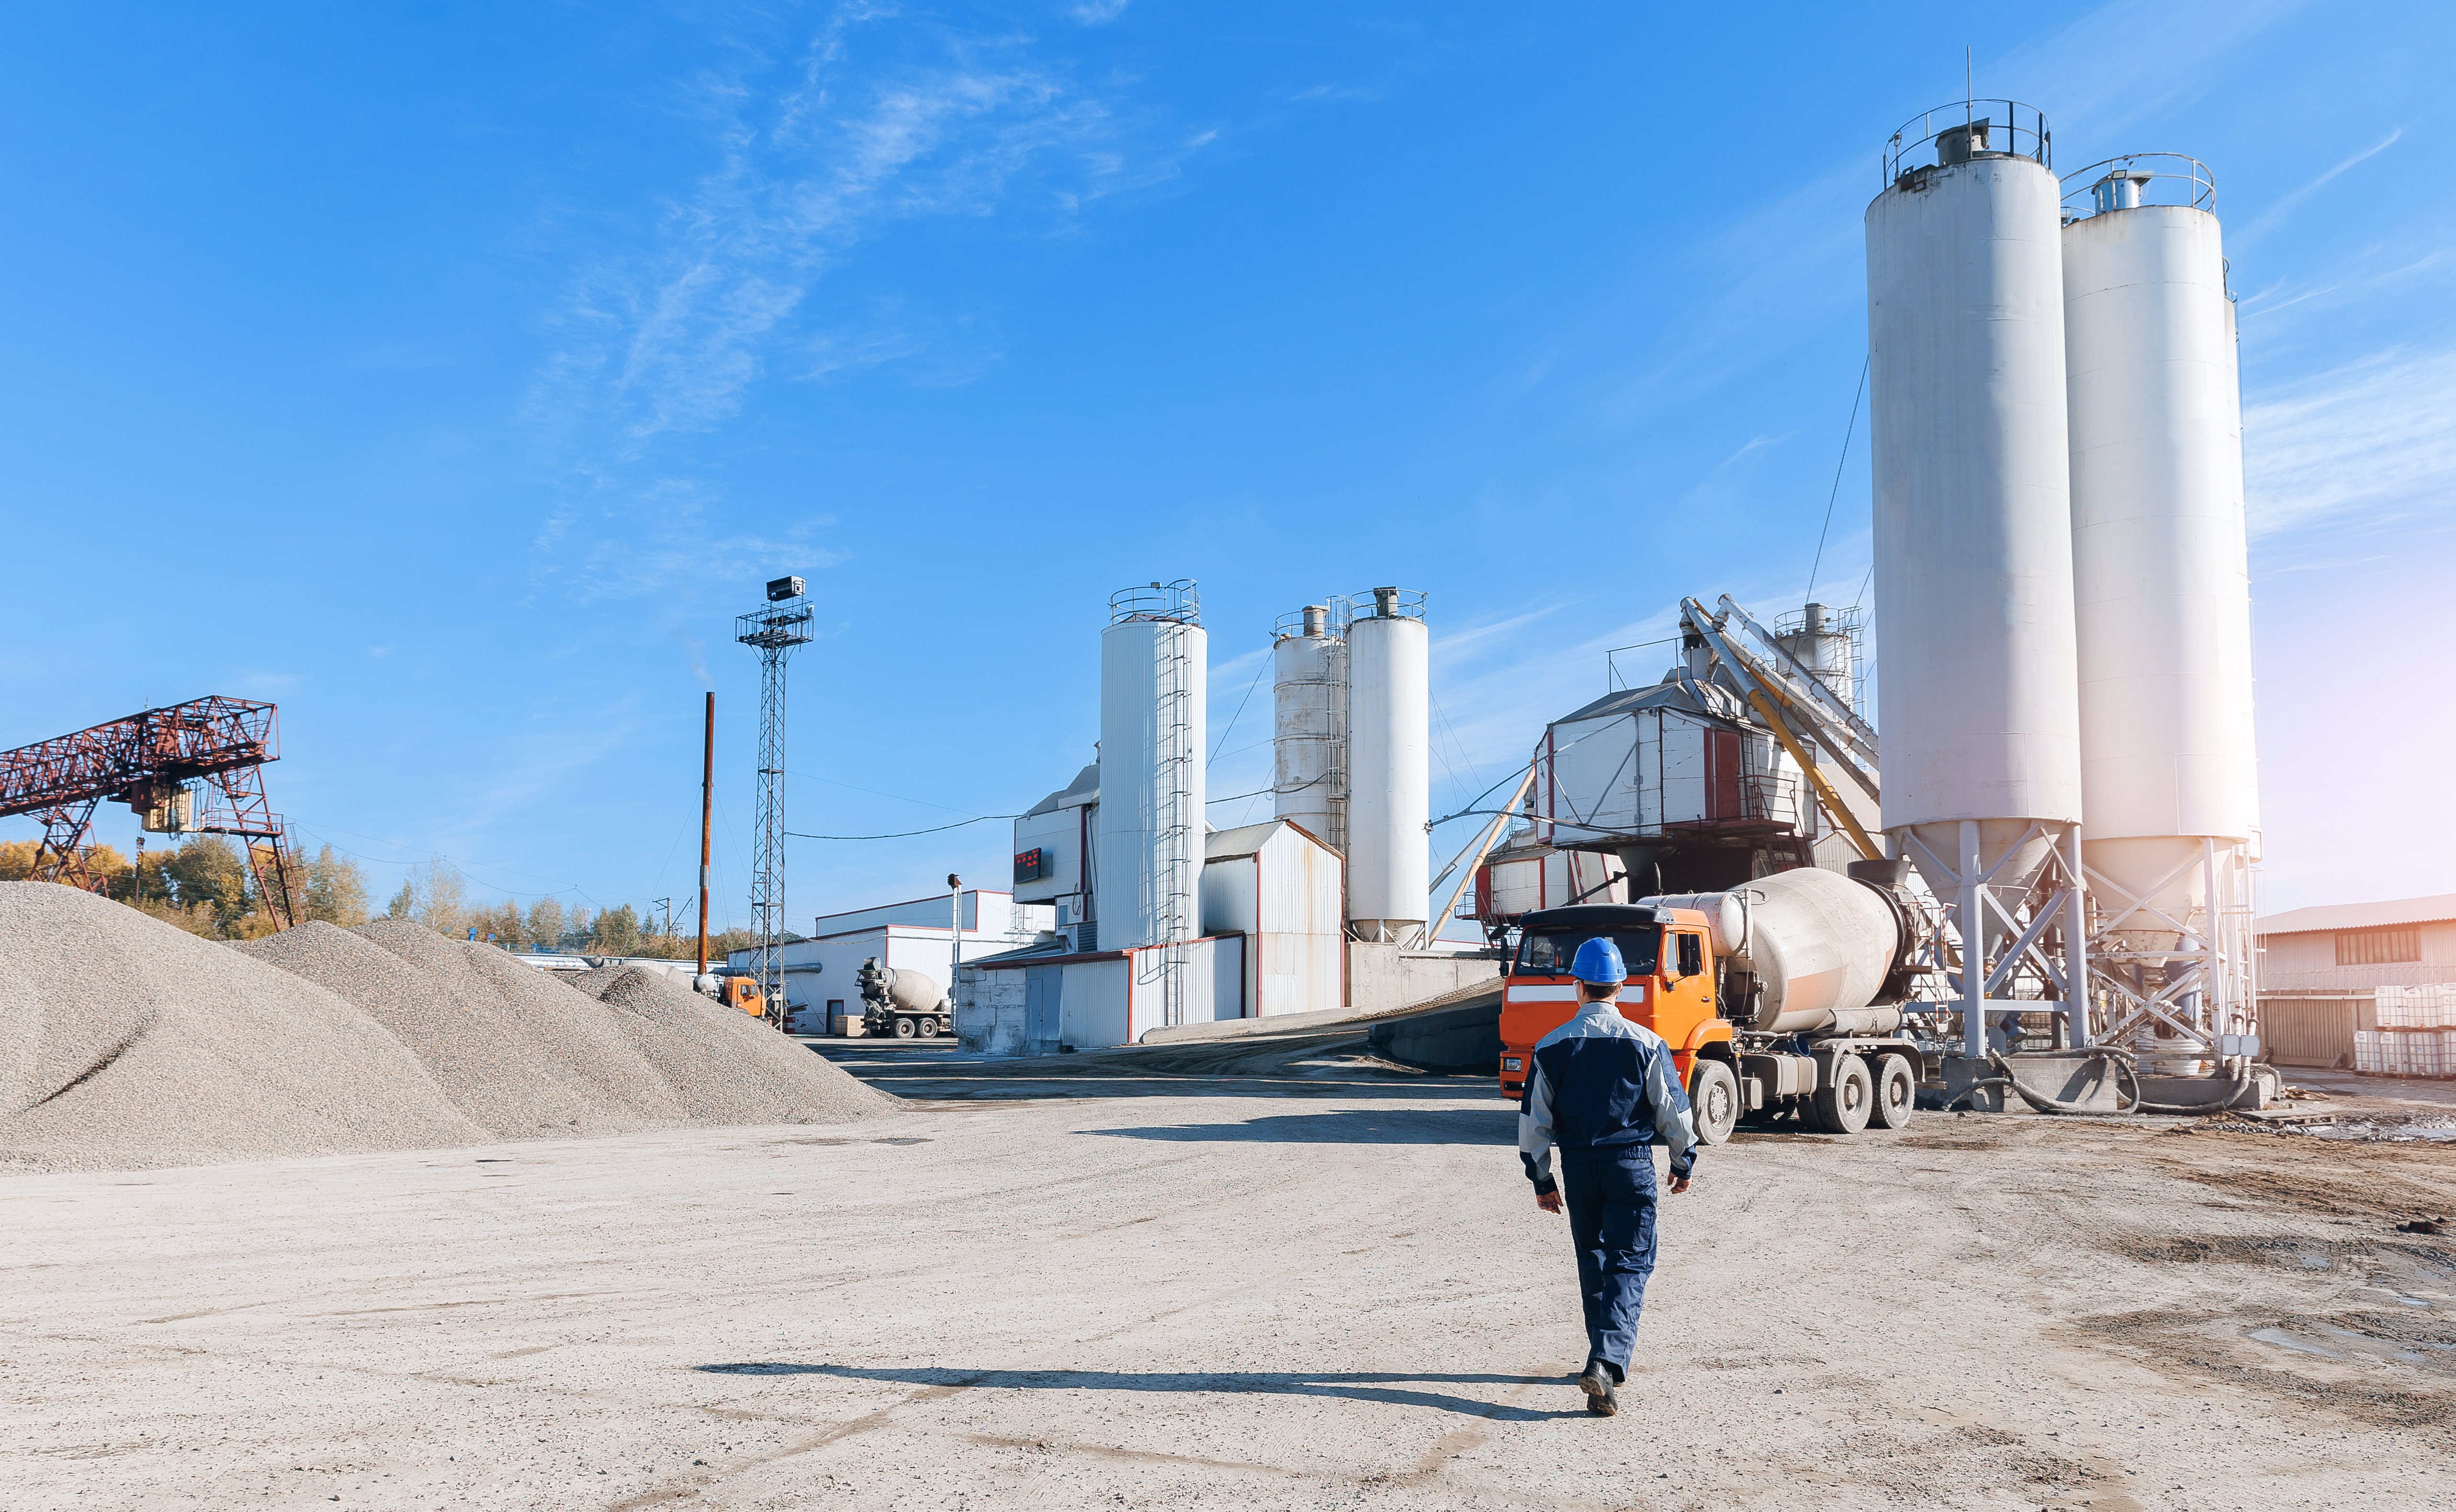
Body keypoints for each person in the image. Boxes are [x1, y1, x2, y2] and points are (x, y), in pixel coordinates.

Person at [1517, 935, 1699, 1417]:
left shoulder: (1550, 1046)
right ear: (1620, 987)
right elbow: (1675, 1114)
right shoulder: (1647, 1043)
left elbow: (1533, 1123)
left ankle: (1603, 1363)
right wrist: (1682, 1162)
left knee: (1594, 1261)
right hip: (1630, 1165)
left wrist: (1542, 1180)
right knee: (1630, 1262)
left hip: (1579, 1169)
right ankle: (1605, 1361)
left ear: (1577, 986)